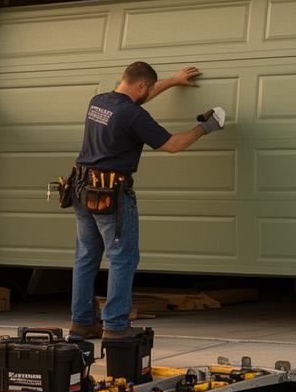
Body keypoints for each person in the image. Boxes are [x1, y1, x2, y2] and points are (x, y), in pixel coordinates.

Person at [69, 61, 225, 342]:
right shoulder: (133, 115)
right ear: (142, 85)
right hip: (111, 196)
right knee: (123, 258)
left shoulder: (99, 101)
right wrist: (205, 127)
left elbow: (136, 101)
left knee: (86, 256)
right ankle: (116, 326)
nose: (150, 92)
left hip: (81, 189)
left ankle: (82, 323)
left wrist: (173, 80)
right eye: (149, 88)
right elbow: (173, 145)